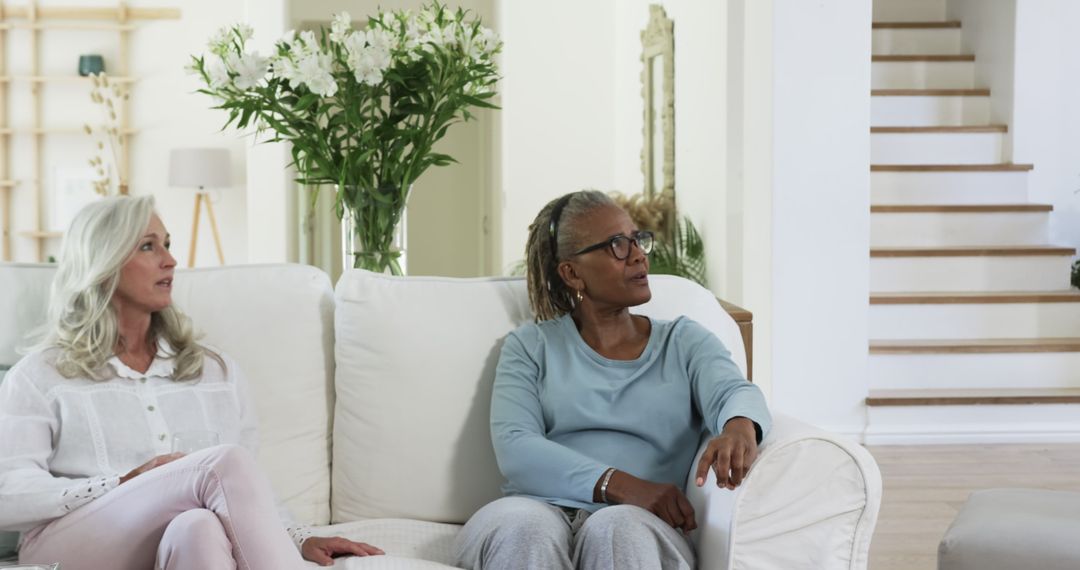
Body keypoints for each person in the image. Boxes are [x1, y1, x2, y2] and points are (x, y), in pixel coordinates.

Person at [0, 195, 383, 569]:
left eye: (167, 245)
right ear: (104, 260)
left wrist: (298, 537)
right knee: (223, 462)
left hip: (169, 537)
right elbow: (8, 493)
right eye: (148, 246)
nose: (170, 260)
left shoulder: (215, 372)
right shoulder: (41, 374)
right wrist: (120, 483)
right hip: (68, 544)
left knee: (198, 526)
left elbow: (245, 489)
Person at [455, 190, 772, 570]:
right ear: (572, 273)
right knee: (525, 529)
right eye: (617, 245)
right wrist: (621, 485)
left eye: (637, 240)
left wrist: (739, 427)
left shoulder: (684, 342)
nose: (638, 255)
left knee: (616, 529)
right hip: (535, 507)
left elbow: (733, 391)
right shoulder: (530, 346)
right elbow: (516, 446)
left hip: (636, 524)